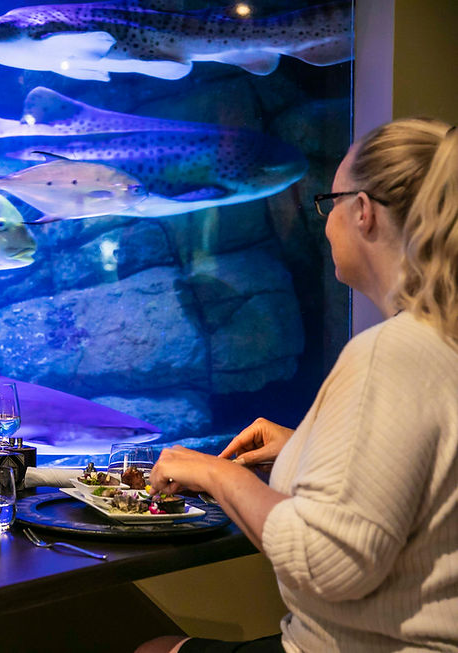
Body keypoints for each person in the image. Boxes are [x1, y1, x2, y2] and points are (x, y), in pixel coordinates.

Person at [136, 118, 458, 653]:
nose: (325, 222)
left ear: (363, 211)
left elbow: (327, 564)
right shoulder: (441, 338)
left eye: (328, 201)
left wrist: (215, 474)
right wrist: (306, 448)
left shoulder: (391, 351)